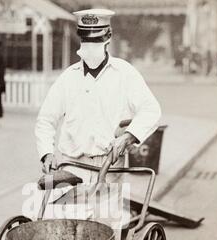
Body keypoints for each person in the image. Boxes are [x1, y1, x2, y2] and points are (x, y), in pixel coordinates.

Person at [35, 8, 161, 183]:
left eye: (96, 40)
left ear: (108, 37)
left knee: (106, 210)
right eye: (86, 40)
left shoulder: (124, 73)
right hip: (72, 165)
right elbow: (45, 120)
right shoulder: (68, 77)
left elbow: (151, 110)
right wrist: (47, 153)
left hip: (110, 166)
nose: (90, 46)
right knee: (69, 209)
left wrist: (127, 137)